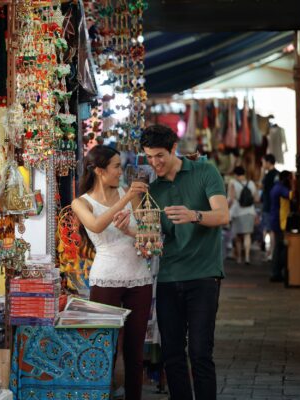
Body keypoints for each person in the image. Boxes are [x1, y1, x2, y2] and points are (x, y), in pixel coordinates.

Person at [118, 125, 229, 400]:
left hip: (204, 275)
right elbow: (153, 238)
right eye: (149, 157)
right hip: (168, 278)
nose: (154, 162)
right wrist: (131, 226)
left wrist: (194, 215)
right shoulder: (152, 190)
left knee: (201, 352)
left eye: (159, 156)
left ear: (173, 149)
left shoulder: (205, 171)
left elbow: (222, 215)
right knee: (172, 354)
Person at [71, 145, 153, 400]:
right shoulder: (80, 202)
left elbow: (150, 236)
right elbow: (95, 225)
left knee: (135, 351)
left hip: (139, 278)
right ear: (99, 170)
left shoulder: (131, 194)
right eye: (116, 166)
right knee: (103, 348)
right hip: (106, 279)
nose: (121, 171)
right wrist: (126, 199)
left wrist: (130, 230)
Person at [228, 166, 259, 264]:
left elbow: (231, 199)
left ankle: (239, 258)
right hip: (250, 212)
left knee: (237, 236)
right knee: (247, 235)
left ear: (235, 174)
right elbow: (256, 198)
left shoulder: (233, 183)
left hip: (237, 212)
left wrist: (226, 208)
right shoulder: (251, 183)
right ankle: (247, 257)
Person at [269, 170, 294, 282]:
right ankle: (277, 272)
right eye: (290, 178)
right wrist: (294, 184)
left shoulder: (277, 187)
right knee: (280, 247)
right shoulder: (280, 188)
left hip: (278, 220)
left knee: (278, 247)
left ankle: (276, 271)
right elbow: (290, 195)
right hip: (280, 221)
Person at [260, 154, 279, 260]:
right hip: (276, 206)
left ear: (268, 162)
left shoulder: (268, 176)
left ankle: (269, 252)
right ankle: (272, 252)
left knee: (268, 230)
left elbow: (261, 186)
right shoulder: (277, 174)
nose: (263, 165)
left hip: (268, 206)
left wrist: (262, 173)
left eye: (263, 162)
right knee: (273, 231)